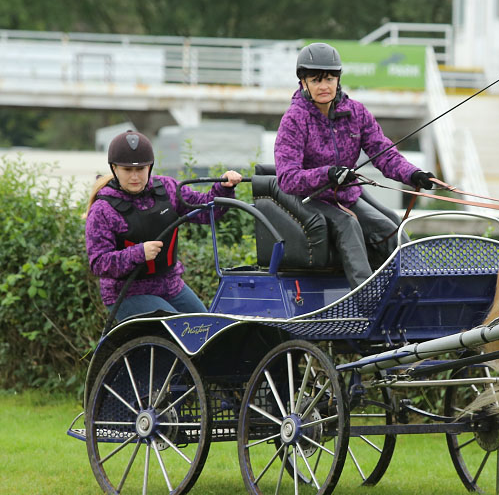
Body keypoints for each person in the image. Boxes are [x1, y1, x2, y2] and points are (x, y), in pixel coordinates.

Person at [274, 42, 436, 289]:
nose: (324, 86)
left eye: (329, 78)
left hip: (346, 196)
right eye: (316, 80)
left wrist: (413, 174)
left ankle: (420, 292)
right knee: (347, 224)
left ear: (338, 79)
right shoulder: (294, 120)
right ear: (303, 82)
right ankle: (367, 299)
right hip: (308, 199)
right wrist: (327, 173)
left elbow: (384, 154)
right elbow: (287, 178)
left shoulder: (356, 113)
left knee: (389, 225)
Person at [84, 130, 242, 322]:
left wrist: (224, 188)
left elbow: (206, 211)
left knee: (207, 327)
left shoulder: (167, 189)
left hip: (171, 286)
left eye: (140, 169)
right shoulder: (102, 209)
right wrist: (138, 253)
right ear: (115, 169)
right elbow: (99, 264)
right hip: (127, 294)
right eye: (127, 170)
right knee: (181, 330)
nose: (135, 176)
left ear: (149, 167)